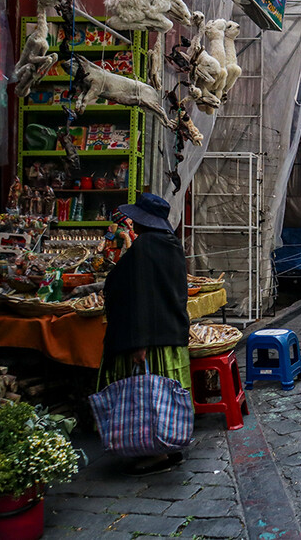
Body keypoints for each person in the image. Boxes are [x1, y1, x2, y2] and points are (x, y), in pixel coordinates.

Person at [99, 192, 191, 476]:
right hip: (169, 333)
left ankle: (155, 452)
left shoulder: (143, 250)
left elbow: (137, 297)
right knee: (166, 395)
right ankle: (167, 443)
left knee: (147, 395)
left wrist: (138, 343)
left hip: (149, 338)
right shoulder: (172, 245)